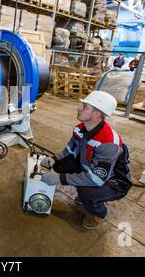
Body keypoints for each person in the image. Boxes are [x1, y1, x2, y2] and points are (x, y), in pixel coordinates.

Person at [40, 91, 132, 229]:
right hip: (89, 167)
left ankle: (99, 213)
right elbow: (70, 150)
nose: (78, 108)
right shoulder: (80, 129)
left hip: (113, 182)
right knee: (60, 166)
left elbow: (97, 179)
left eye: (85, 107)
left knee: (86, 192)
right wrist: (54, 159)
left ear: (97, 113)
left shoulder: (108, 142)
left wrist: (60, 178)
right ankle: (88, 194)